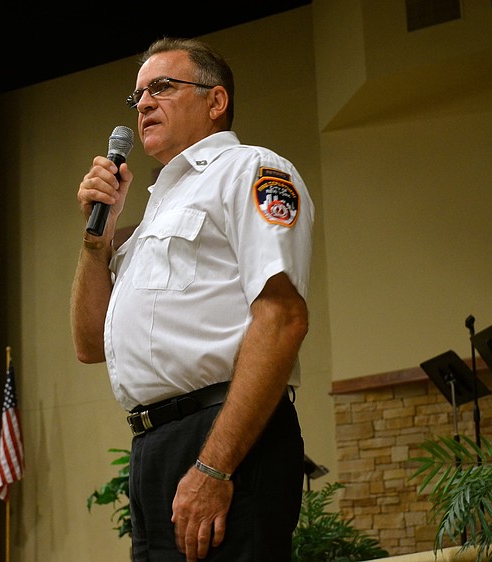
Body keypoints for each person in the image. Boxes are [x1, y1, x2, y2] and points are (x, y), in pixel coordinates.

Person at [70, 37, 314, 561]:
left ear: (216, 101)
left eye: (161, 87)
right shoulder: (154, 209)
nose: (143, 104)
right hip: (152, 445)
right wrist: (97, 244)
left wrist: (213, 466)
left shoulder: (250, 171)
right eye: (137, 96)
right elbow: (90, 344)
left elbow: (284, 317)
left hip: (224, 434)